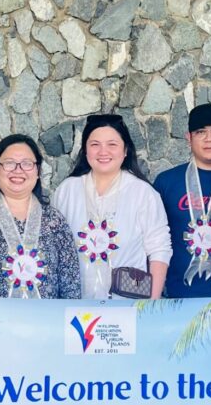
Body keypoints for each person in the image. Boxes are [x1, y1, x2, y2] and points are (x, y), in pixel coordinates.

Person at [54, 114, 172, 299]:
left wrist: (151, 303)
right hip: (75, 304)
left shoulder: (143, 193)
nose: (103, 152)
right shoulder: (67, 190)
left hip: (128, 302)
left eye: (112, 144)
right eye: (95, 145)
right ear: (85, 150)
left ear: (125, 150)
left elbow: (159, 249)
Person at [0, 134, 80, 299]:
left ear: (38, 171)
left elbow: (71, 286)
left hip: (47, 323)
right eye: (9, 163)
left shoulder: (55, 221)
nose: (18, 170)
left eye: (27, 164)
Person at [153, 103, 211, 298]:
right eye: (200, 132)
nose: (209, 139)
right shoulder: (166, 182)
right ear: (189, 138)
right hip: (178, 295)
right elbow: (153, 241)